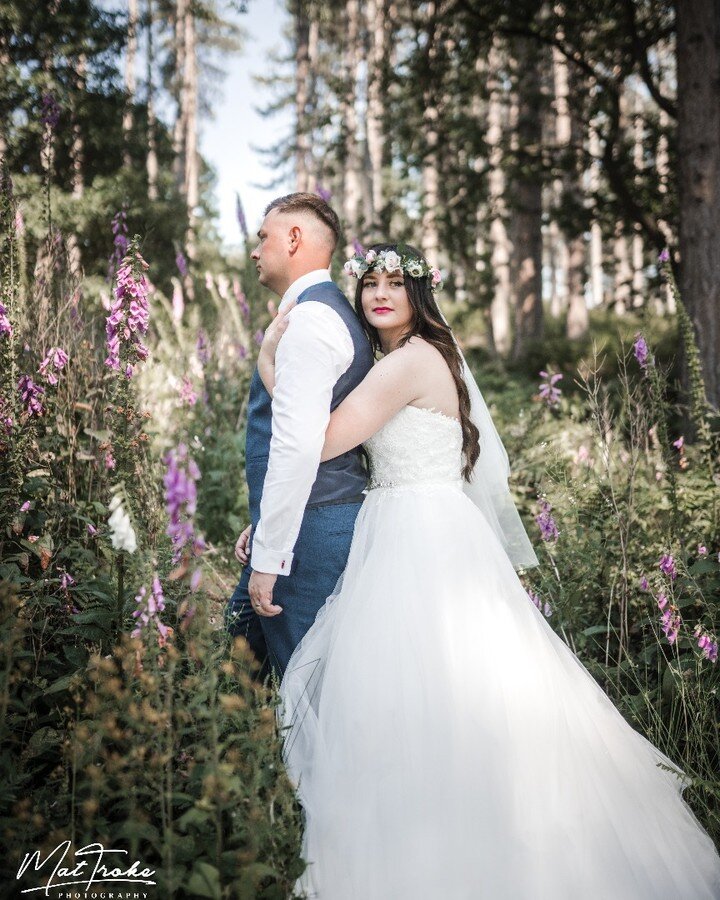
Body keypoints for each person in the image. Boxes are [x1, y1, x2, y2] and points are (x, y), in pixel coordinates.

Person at [256, 243, 720, 899]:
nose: (380, 294)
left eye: (396, 282)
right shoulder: (414, 358)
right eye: (371, 283)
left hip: (415, 534)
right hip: (428, 524)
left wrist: (272, 364)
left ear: (421, 294)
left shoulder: (410, 361)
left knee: (421, 691)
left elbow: (323, 437)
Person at [224, 193, 374, 678]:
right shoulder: (322, 312)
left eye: (262, 236)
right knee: (239, 678)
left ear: (294, 239)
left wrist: (270, 559)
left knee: (305, 696)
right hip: (297, 526)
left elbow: (297, 444)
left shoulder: (311, 322)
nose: (255, 250)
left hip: (308, 536)